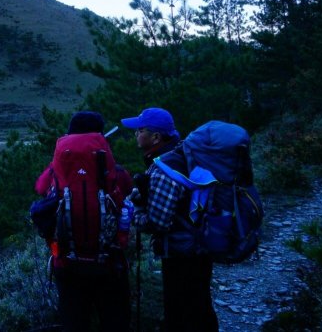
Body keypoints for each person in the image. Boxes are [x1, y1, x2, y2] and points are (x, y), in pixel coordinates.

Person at [34, 111, 133, 332]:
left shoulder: (55, 172)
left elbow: (40, 187)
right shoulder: (114, 172)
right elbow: (126, 189)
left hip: (67, 264)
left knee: (74, 323)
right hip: (110, 263)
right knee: (115, 322)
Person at [125, 108, 218, 332]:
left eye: (140, 130)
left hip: (181, 252)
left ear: (155, 137)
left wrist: (134, 213)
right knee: (200, 304)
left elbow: (158, 223)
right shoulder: (181, 154)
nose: (136, 134)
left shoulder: (164, 169)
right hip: (200, 245)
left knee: (180, 310)